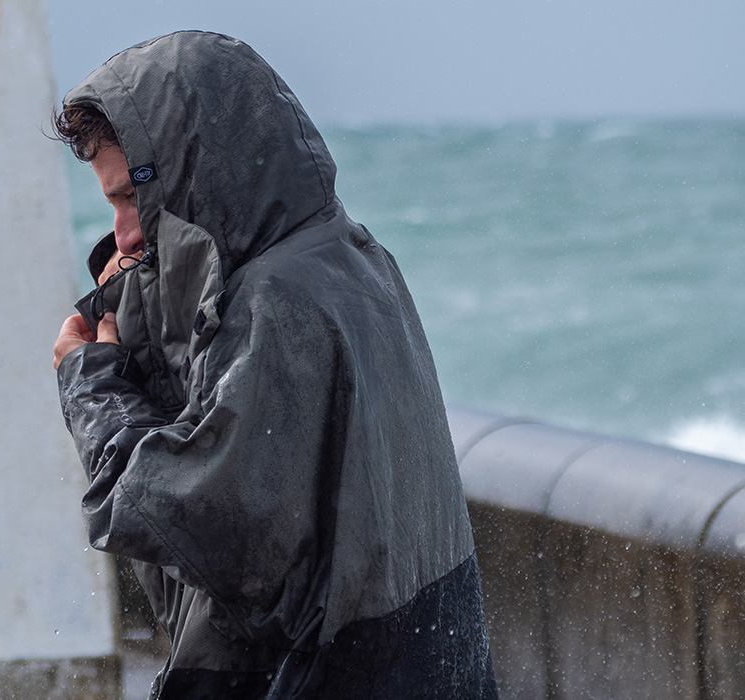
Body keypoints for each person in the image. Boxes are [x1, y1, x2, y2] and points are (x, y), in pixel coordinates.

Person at [51, 31, 497, 699]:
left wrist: (92, 383)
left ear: (189, 173)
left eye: (127, 199)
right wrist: (130, 291)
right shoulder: (346, 259)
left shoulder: (274, 305)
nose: (123, 234)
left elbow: (186, 518)